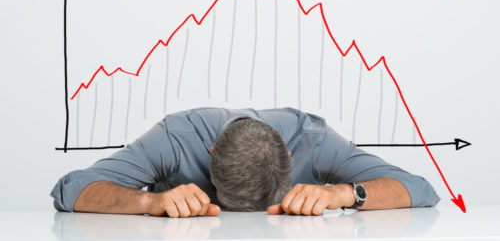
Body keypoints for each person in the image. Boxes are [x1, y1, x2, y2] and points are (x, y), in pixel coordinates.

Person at [51, 107, 440, 217]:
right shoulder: (174, 138)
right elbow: (70, 188)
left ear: (290, 157)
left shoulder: (314, 139)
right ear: (211, 158)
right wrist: (149, 202)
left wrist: (344, 193)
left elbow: (422, 190)